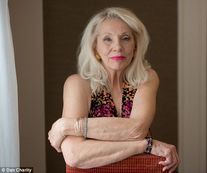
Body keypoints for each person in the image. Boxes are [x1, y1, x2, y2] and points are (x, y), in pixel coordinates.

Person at [48, 7, 180, 173]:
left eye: (125, 38)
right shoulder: (77, 84)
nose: (117, 47)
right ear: (95, 47)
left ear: (136, 46)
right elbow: (74, 155)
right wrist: (146, 145)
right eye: (107, 39)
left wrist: (67, 125)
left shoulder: (146, 78)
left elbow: (136, 130)